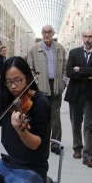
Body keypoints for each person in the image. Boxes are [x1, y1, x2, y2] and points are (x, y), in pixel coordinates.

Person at [64, 28, 92, 168]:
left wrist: (79, 69)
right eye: (85, 36)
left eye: (90, 36)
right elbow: (70, 72)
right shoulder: (74, 52)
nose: (87, 39)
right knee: (75, 123)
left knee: (91, 125)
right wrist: (88, 73)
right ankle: (77, 148)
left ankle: (88, 155)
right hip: (76, 92)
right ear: (81, 37)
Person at [27, 24, 66, 155]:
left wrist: (63, 82)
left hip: (56, 86)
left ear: (53, 33)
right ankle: (41, 143)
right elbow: (30, 68)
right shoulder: (34, 49)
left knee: (55, 117)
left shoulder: (60, 49)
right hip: (41, 86)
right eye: (44, 32)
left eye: (49, 32)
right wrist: (36, 83)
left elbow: (65, 68)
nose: (47, 34)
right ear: (42, 33)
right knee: (41, 116)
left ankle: (55, 145)